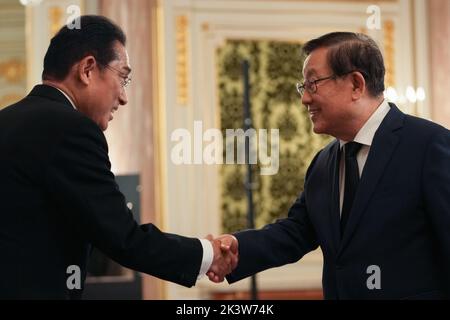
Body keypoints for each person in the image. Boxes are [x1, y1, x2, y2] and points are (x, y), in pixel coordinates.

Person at [0, 15, 237, 299]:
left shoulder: (9, 120)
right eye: (123, 78)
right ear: (88, 69)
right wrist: (207, 253)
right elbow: (124, 238)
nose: (124, 97)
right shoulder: (71, 130)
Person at [208, 32, 450, 299]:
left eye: (313, 84)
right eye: (304, 87)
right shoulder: (323, 163)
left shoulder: (430, 146)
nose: (304, 99)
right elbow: (295, 232)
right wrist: (235, 246)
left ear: (356, 84)